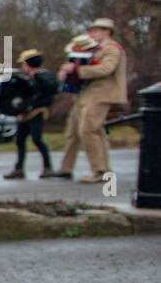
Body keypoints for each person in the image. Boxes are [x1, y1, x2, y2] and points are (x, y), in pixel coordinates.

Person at [49, 19, 128, 183]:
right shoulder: (92, 50)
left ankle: (100, 170)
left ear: (106, 32)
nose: (90, 34)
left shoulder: (112, 49)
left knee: (89, 130)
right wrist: (67, 70)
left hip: (102, 94)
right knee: (73, 131)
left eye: (94, 30)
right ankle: (66, 168)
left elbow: (106, 69)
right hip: (86, 94)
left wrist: (78, 70)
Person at [3, 49, 57, 180]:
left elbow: (52, 88)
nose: (22, 67)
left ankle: (48, 167)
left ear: (28, 64)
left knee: (37, 139)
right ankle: (19, 169)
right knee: (20, 140)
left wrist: (36, 76)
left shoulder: (44, 75)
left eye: (23, 64)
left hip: (37, 111)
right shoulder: (25, 77)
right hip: (24, 113)